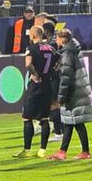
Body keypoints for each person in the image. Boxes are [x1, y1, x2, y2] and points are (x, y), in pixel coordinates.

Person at [49, 29, 92, 161]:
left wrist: (62, 97)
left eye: (57, 39)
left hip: (73, 92)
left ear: (62, 39)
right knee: (70, 122)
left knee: (74, 122)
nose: (56, 41)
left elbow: (66, 77)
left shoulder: (67, 53)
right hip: (78, 89)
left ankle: (83, 151)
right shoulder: (73, 49)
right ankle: (63, 151)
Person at [14, 26, 57, 158]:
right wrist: (50, 72)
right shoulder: (50, 48)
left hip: (36, 86)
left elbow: (28, 64)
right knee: (44, 118)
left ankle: (27, 150)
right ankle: (42, 150)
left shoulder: (31, 48)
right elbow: (59, 60)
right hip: (47, 86)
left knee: (27, 117)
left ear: (33, 35)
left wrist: (35, 74)